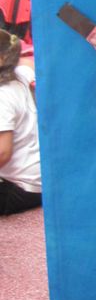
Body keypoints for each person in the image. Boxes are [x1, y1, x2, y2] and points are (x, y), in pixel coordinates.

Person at [0, 29, 42, 215]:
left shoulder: (2, 96)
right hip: (38, 178)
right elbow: (29, 64)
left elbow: (3, 153)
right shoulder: (20, 75)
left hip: (20, 188)